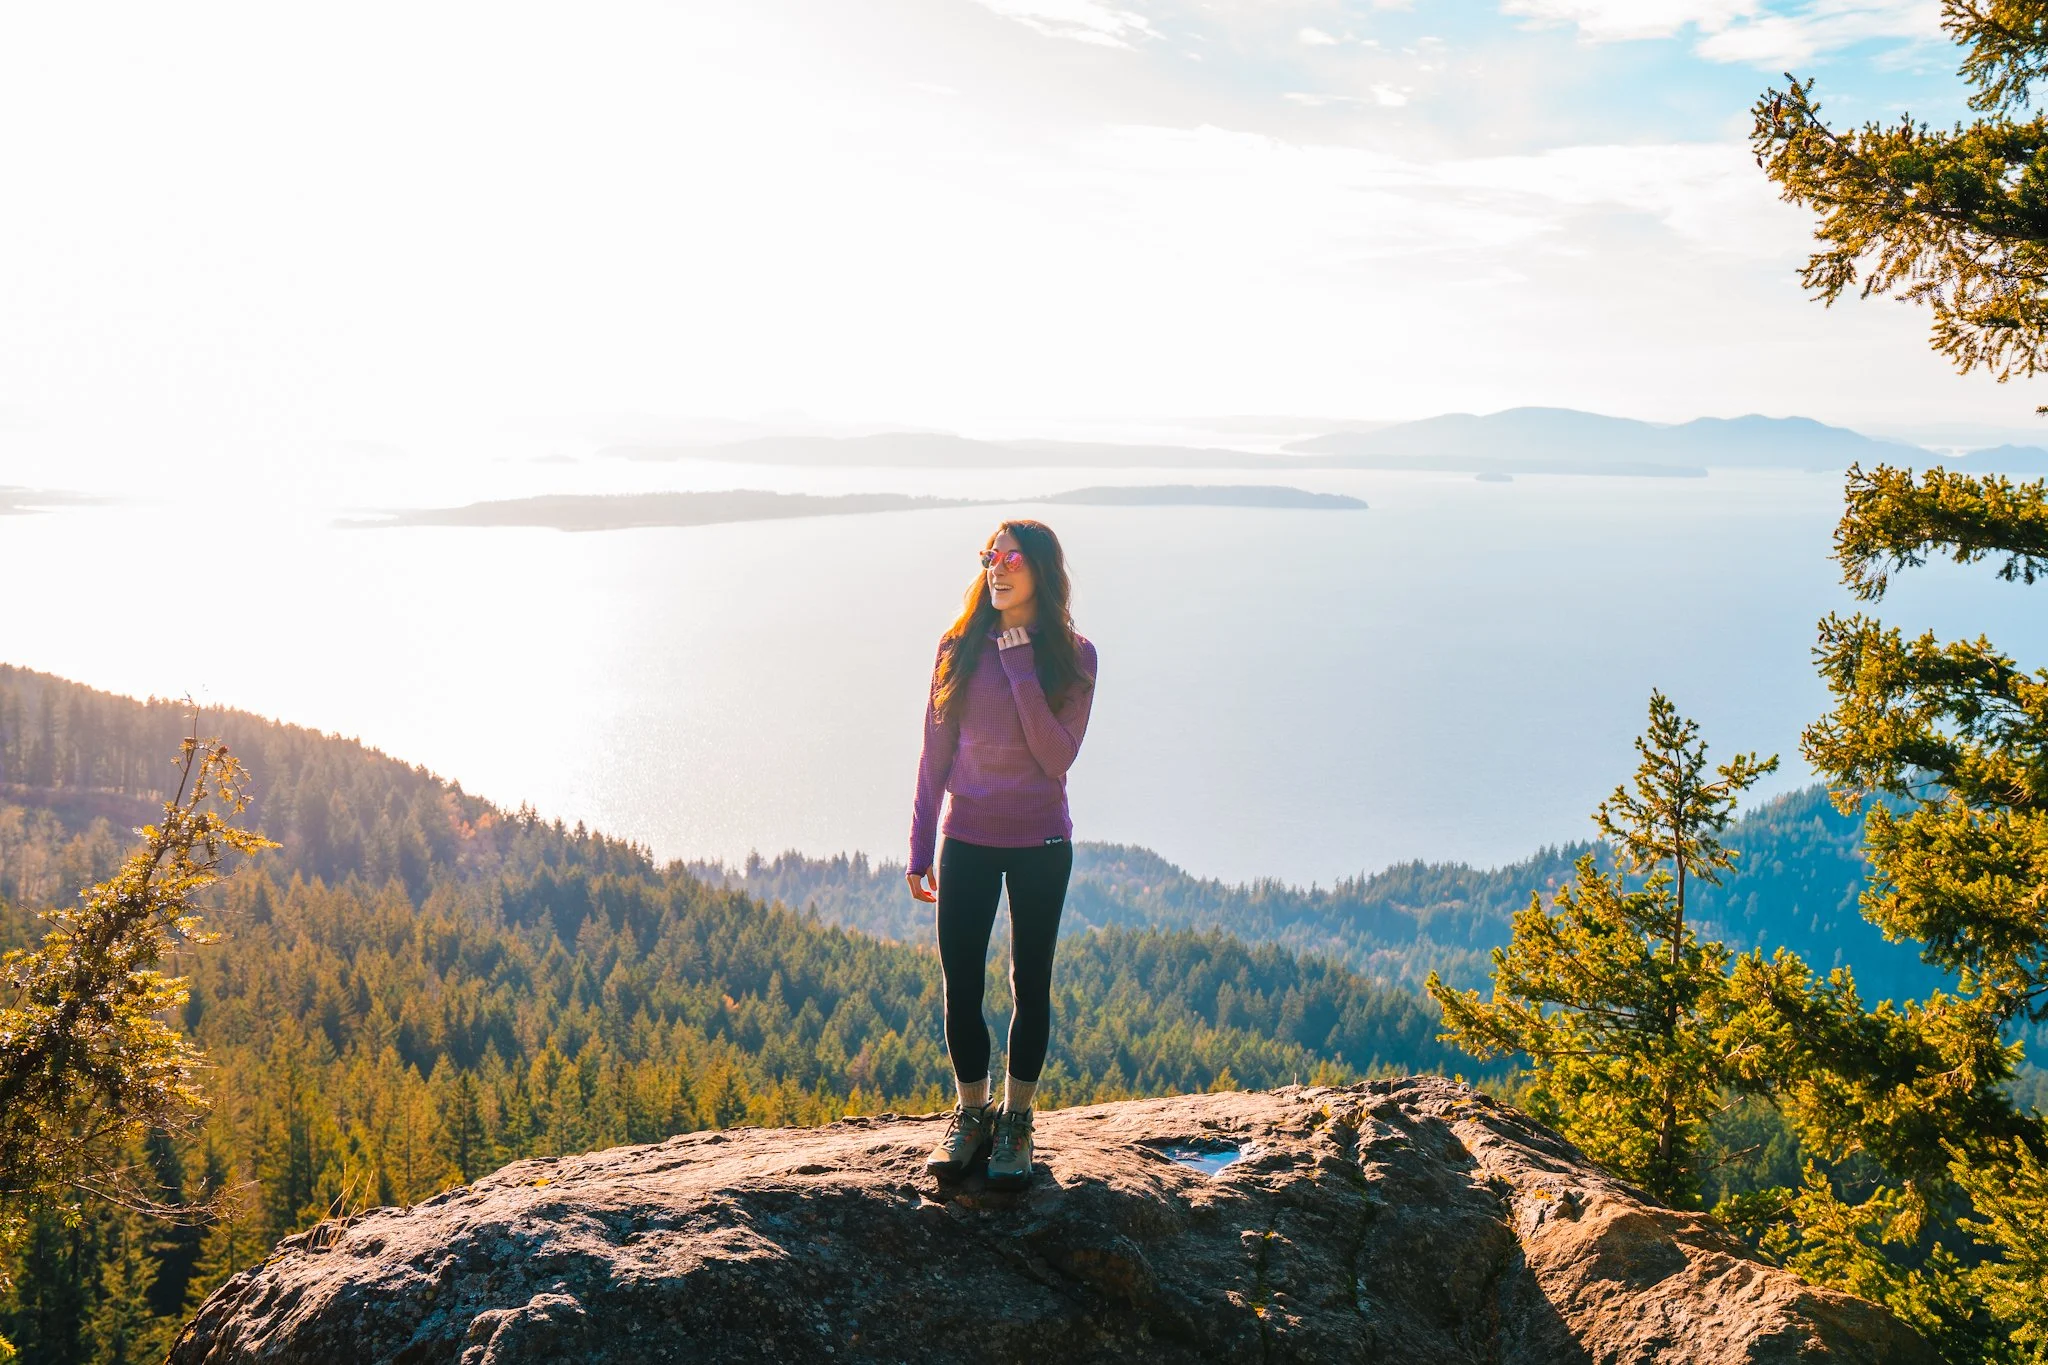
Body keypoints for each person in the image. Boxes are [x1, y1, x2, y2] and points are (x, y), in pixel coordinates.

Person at [907, 519, 1097, 1190]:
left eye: (1013, 556)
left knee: (1029, 984)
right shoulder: (956, 646)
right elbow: (934, 755)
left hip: (1042, 840)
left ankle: (1016, 1120)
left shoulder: (1075, 656)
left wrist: (1019, 665)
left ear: (1043, 570)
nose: (998, 566)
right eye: (991, 554)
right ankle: (971, 1112)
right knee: (960, 983)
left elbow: (1054, 755)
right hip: (968, 837)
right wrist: (920, 842)